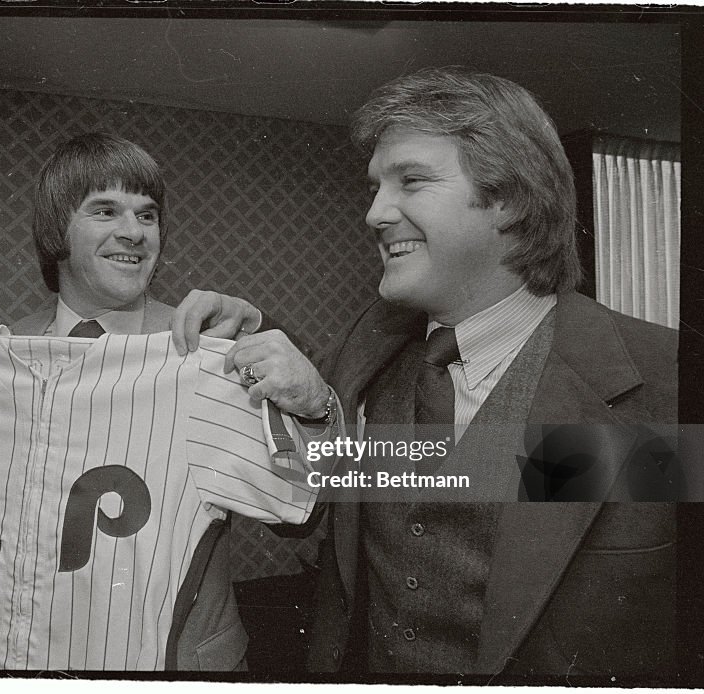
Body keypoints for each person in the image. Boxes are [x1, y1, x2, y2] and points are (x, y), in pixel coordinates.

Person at [172, 67, 677, 679]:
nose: (375, 213)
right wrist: (259, 344)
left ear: (510, 200)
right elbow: (314, 495)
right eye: (376, 187)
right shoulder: (369, 348)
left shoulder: (666, 381)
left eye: (411, 180)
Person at [0, 132, 325, 670]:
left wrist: (298, 381)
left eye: (148, 215)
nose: (133, 232)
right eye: (106, 210)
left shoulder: (201, 355)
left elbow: (302, 510)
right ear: (56, 232)